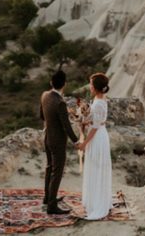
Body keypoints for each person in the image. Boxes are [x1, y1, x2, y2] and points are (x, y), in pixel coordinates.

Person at [40, 70, 79, 215]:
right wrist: (76, 141)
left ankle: (47, 197)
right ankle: (51, 206)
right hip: (57, 141)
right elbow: (66, 126)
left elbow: (41, 115)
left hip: (47, 137)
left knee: (49, 168)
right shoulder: (60, 103)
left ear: (51, 83)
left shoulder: (44, 95)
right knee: (57, 172)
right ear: (64, 85)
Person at [77, 72, 112, 221]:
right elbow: (96, 121)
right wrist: (84, 120)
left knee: (96, 168)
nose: (89, 87)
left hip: (97, 138)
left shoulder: (98, 103)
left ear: (96, 87)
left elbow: (95, 126)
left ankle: (97, 204)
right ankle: (97, 200)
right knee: (97, 168)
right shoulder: (100, 99)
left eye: (91, 84)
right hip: (101, 135)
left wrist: (84, 143)